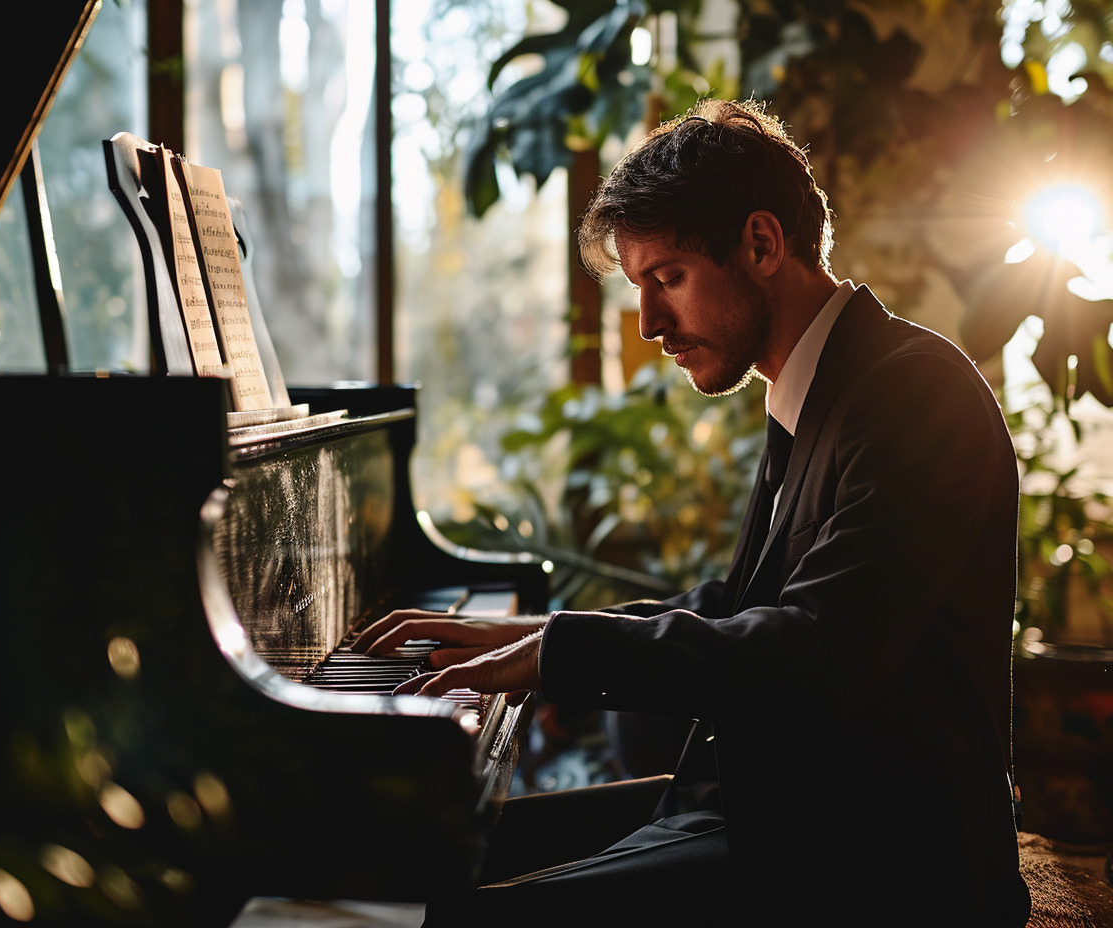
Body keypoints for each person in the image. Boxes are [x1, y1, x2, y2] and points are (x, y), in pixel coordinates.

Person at [354, 98, 1030, 926]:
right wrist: (539, 637)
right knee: (409, 847)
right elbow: (746, 608)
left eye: (666, 278)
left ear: (761, 243)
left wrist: (559, 656)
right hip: (779, 806)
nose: (648, 325)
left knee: (452, 915)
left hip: (879, 858)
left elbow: (812, 651)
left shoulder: (913, 392)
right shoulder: (820, 382)